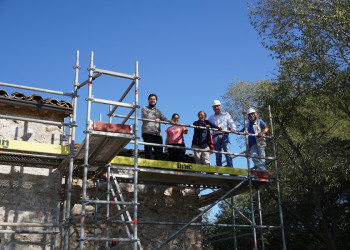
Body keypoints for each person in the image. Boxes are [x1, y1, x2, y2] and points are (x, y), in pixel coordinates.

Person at [141, 93, 171, 160]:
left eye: (154, 99)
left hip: (157, 133)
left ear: (156, 101)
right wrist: (155, 119)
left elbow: (164, 118)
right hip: (148, 132)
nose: (152, 100)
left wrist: (170, 121)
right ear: (148, 100)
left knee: (159, 150)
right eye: (151, 99)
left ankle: (158, 168)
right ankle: (147, 166)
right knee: (148, 150)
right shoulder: (144, 108)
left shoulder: (158, 111)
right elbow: (145, 117)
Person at [208, 100, 236, 167]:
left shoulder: (226, 115)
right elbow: (208, 126)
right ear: (213, 108)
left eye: (217, 106)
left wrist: (233, 128)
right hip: (215, 137)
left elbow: (231, 123)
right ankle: (219, 171)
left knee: (227, 152)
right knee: (218, 154)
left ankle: (230, 169)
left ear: (220, 106)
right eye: (214, 107)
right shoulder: (210, 118)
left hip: (224, 135)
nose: (216, 108)